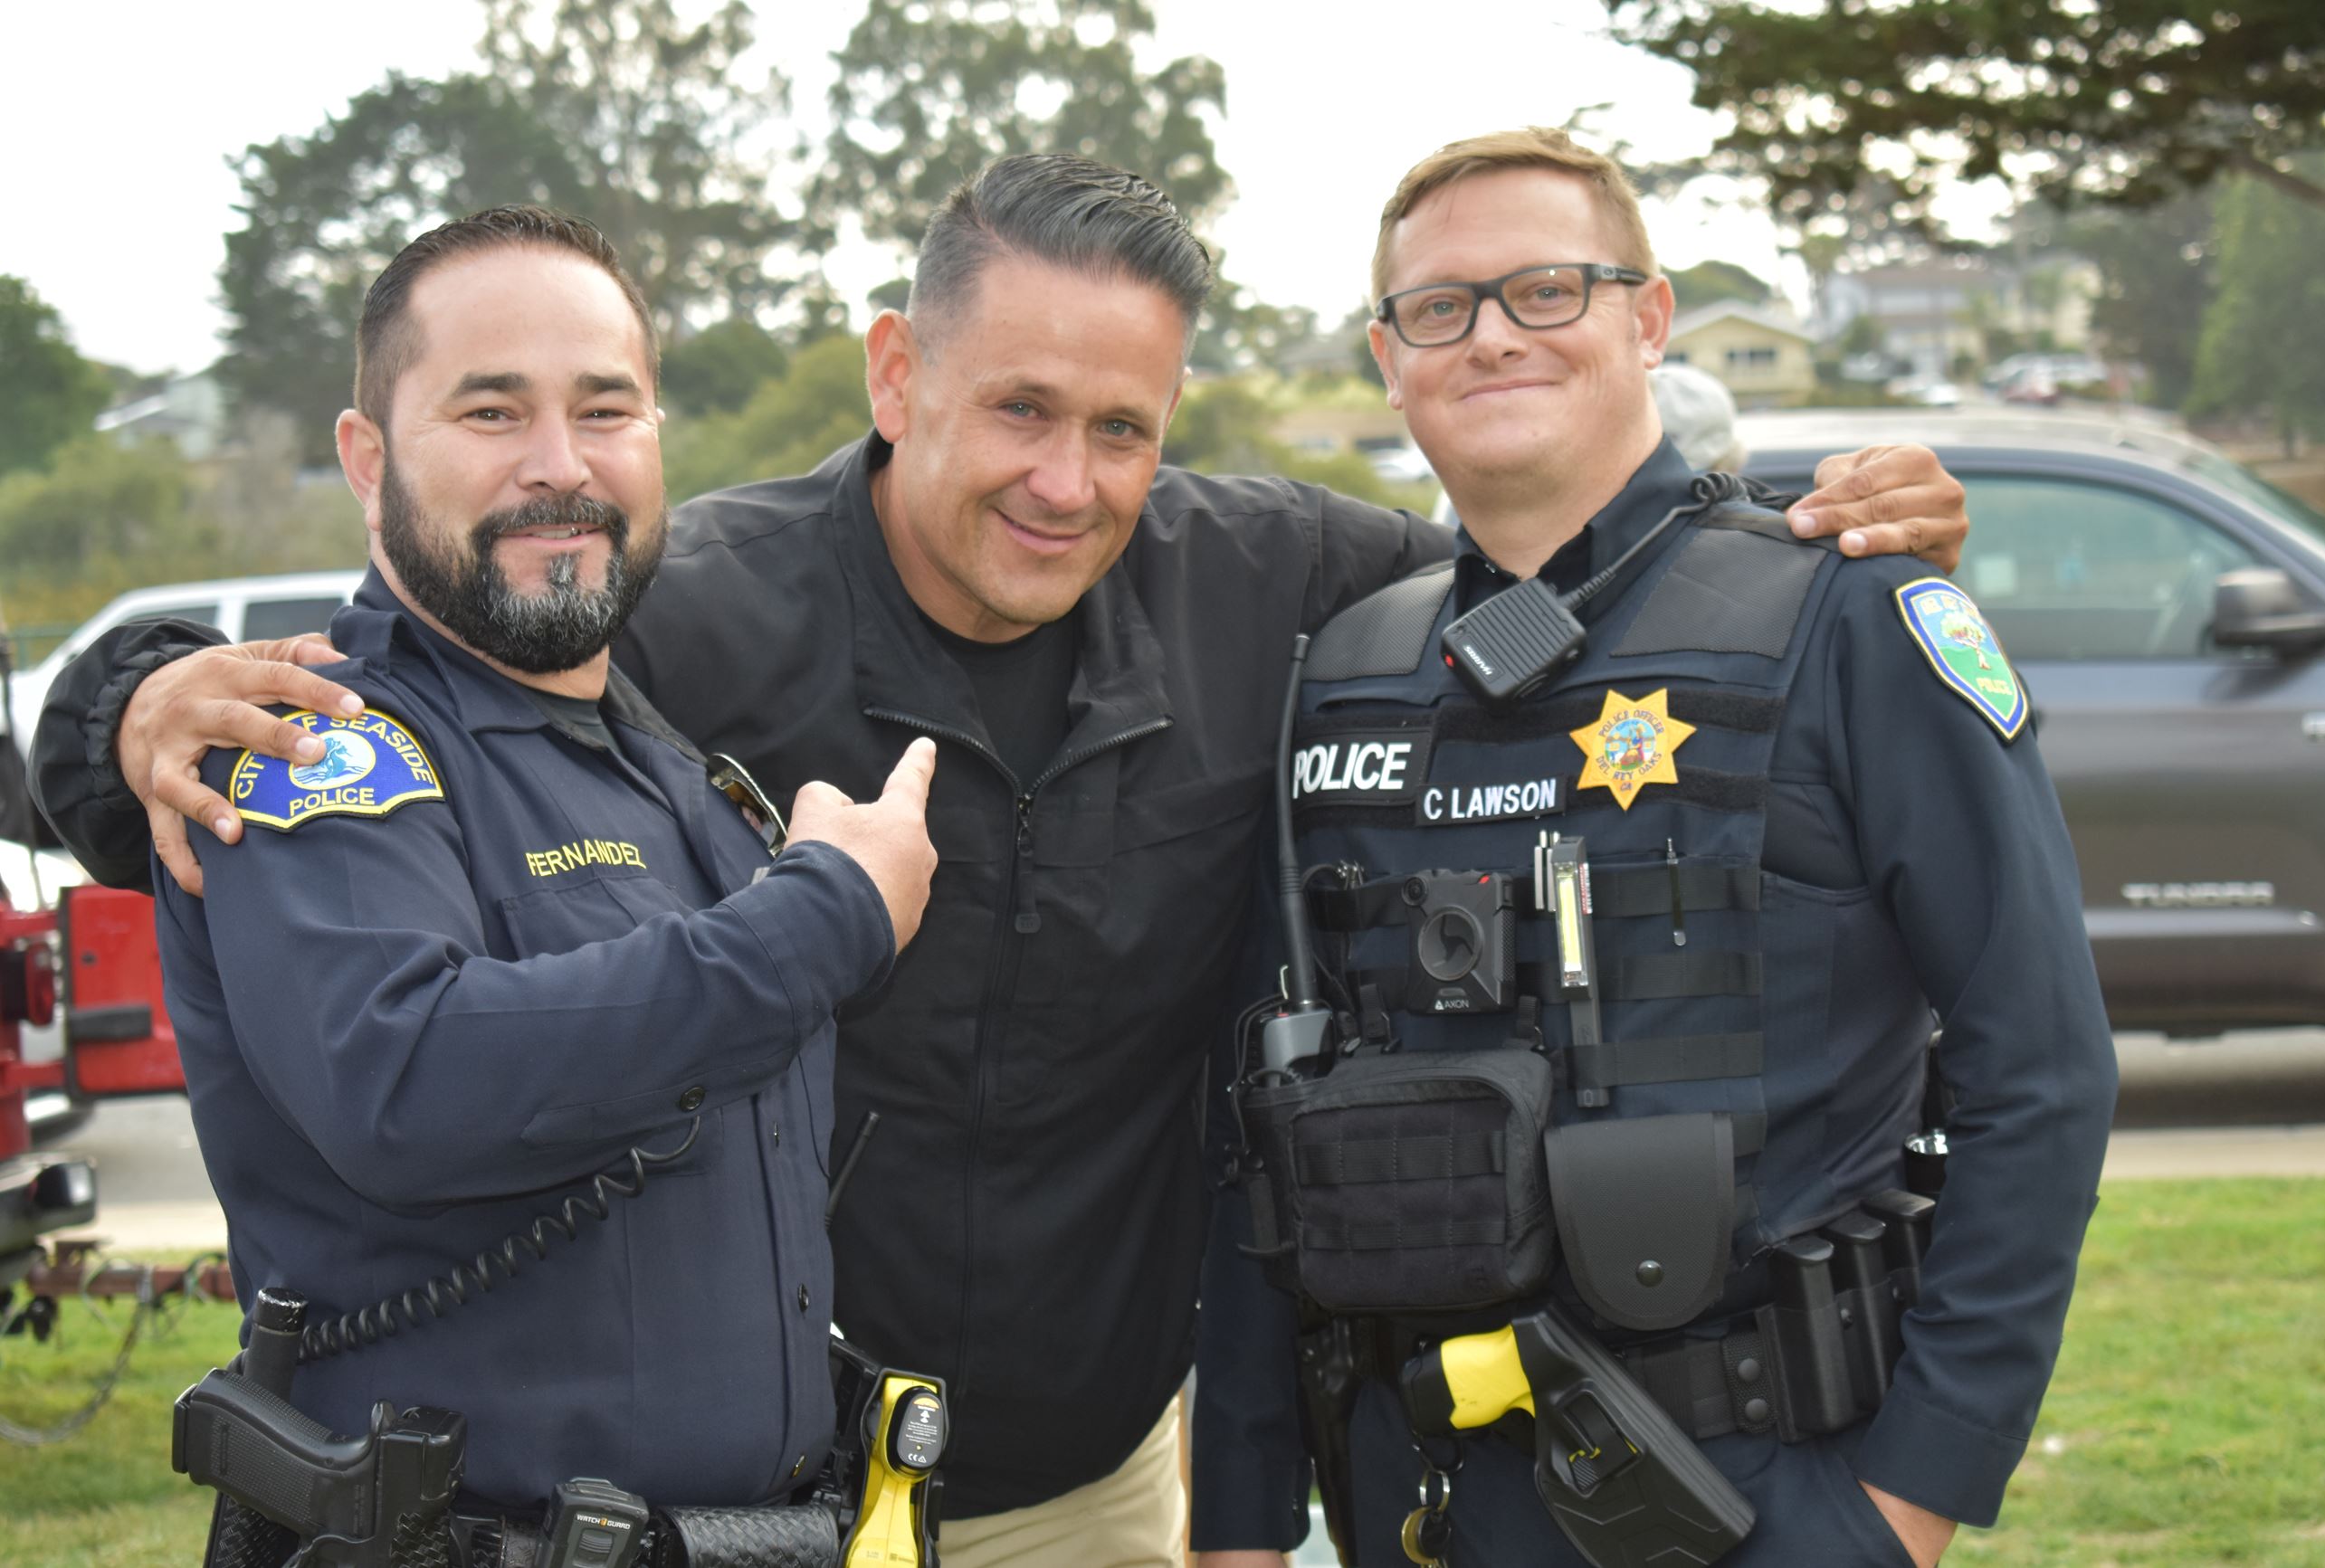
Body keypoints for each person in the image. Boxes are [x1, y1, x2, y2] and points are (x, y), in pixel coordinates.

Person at [33, 157, 1977, 1568]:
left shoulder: (1271, 579)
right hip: (765, 1494)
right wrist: (120, 708)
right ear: (895, 376)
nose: (1069, 482)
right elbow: (437, 636)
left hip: (1091, 1480)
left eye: (1121, 428)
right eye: (1017, 412)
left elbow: (1568, 573)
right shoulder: (693, 604)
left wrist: (1797, 527)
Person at [1189, 129, 2115, 1568]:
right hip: (1413, 1500)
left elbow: (2041, 1065)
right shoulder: (1345, 676)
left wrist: (1909, 1505)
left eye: (1547, 289)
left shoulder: (1853, 621)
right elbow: (1257, 1110)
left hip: (1755, 1495)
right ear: (1389, 355)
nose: (1491, 335)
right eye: (1440, 307)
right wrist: (1241, 1523)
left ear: (1649, 315)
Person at [124, 204, 939, 1524]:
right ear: (366, 456)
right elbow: (400, 1070)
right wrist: (820, 918)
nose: (558, 466)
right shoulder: (312, 745)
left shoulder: (672, 770)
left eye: (605, 410)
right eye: (492, 413)